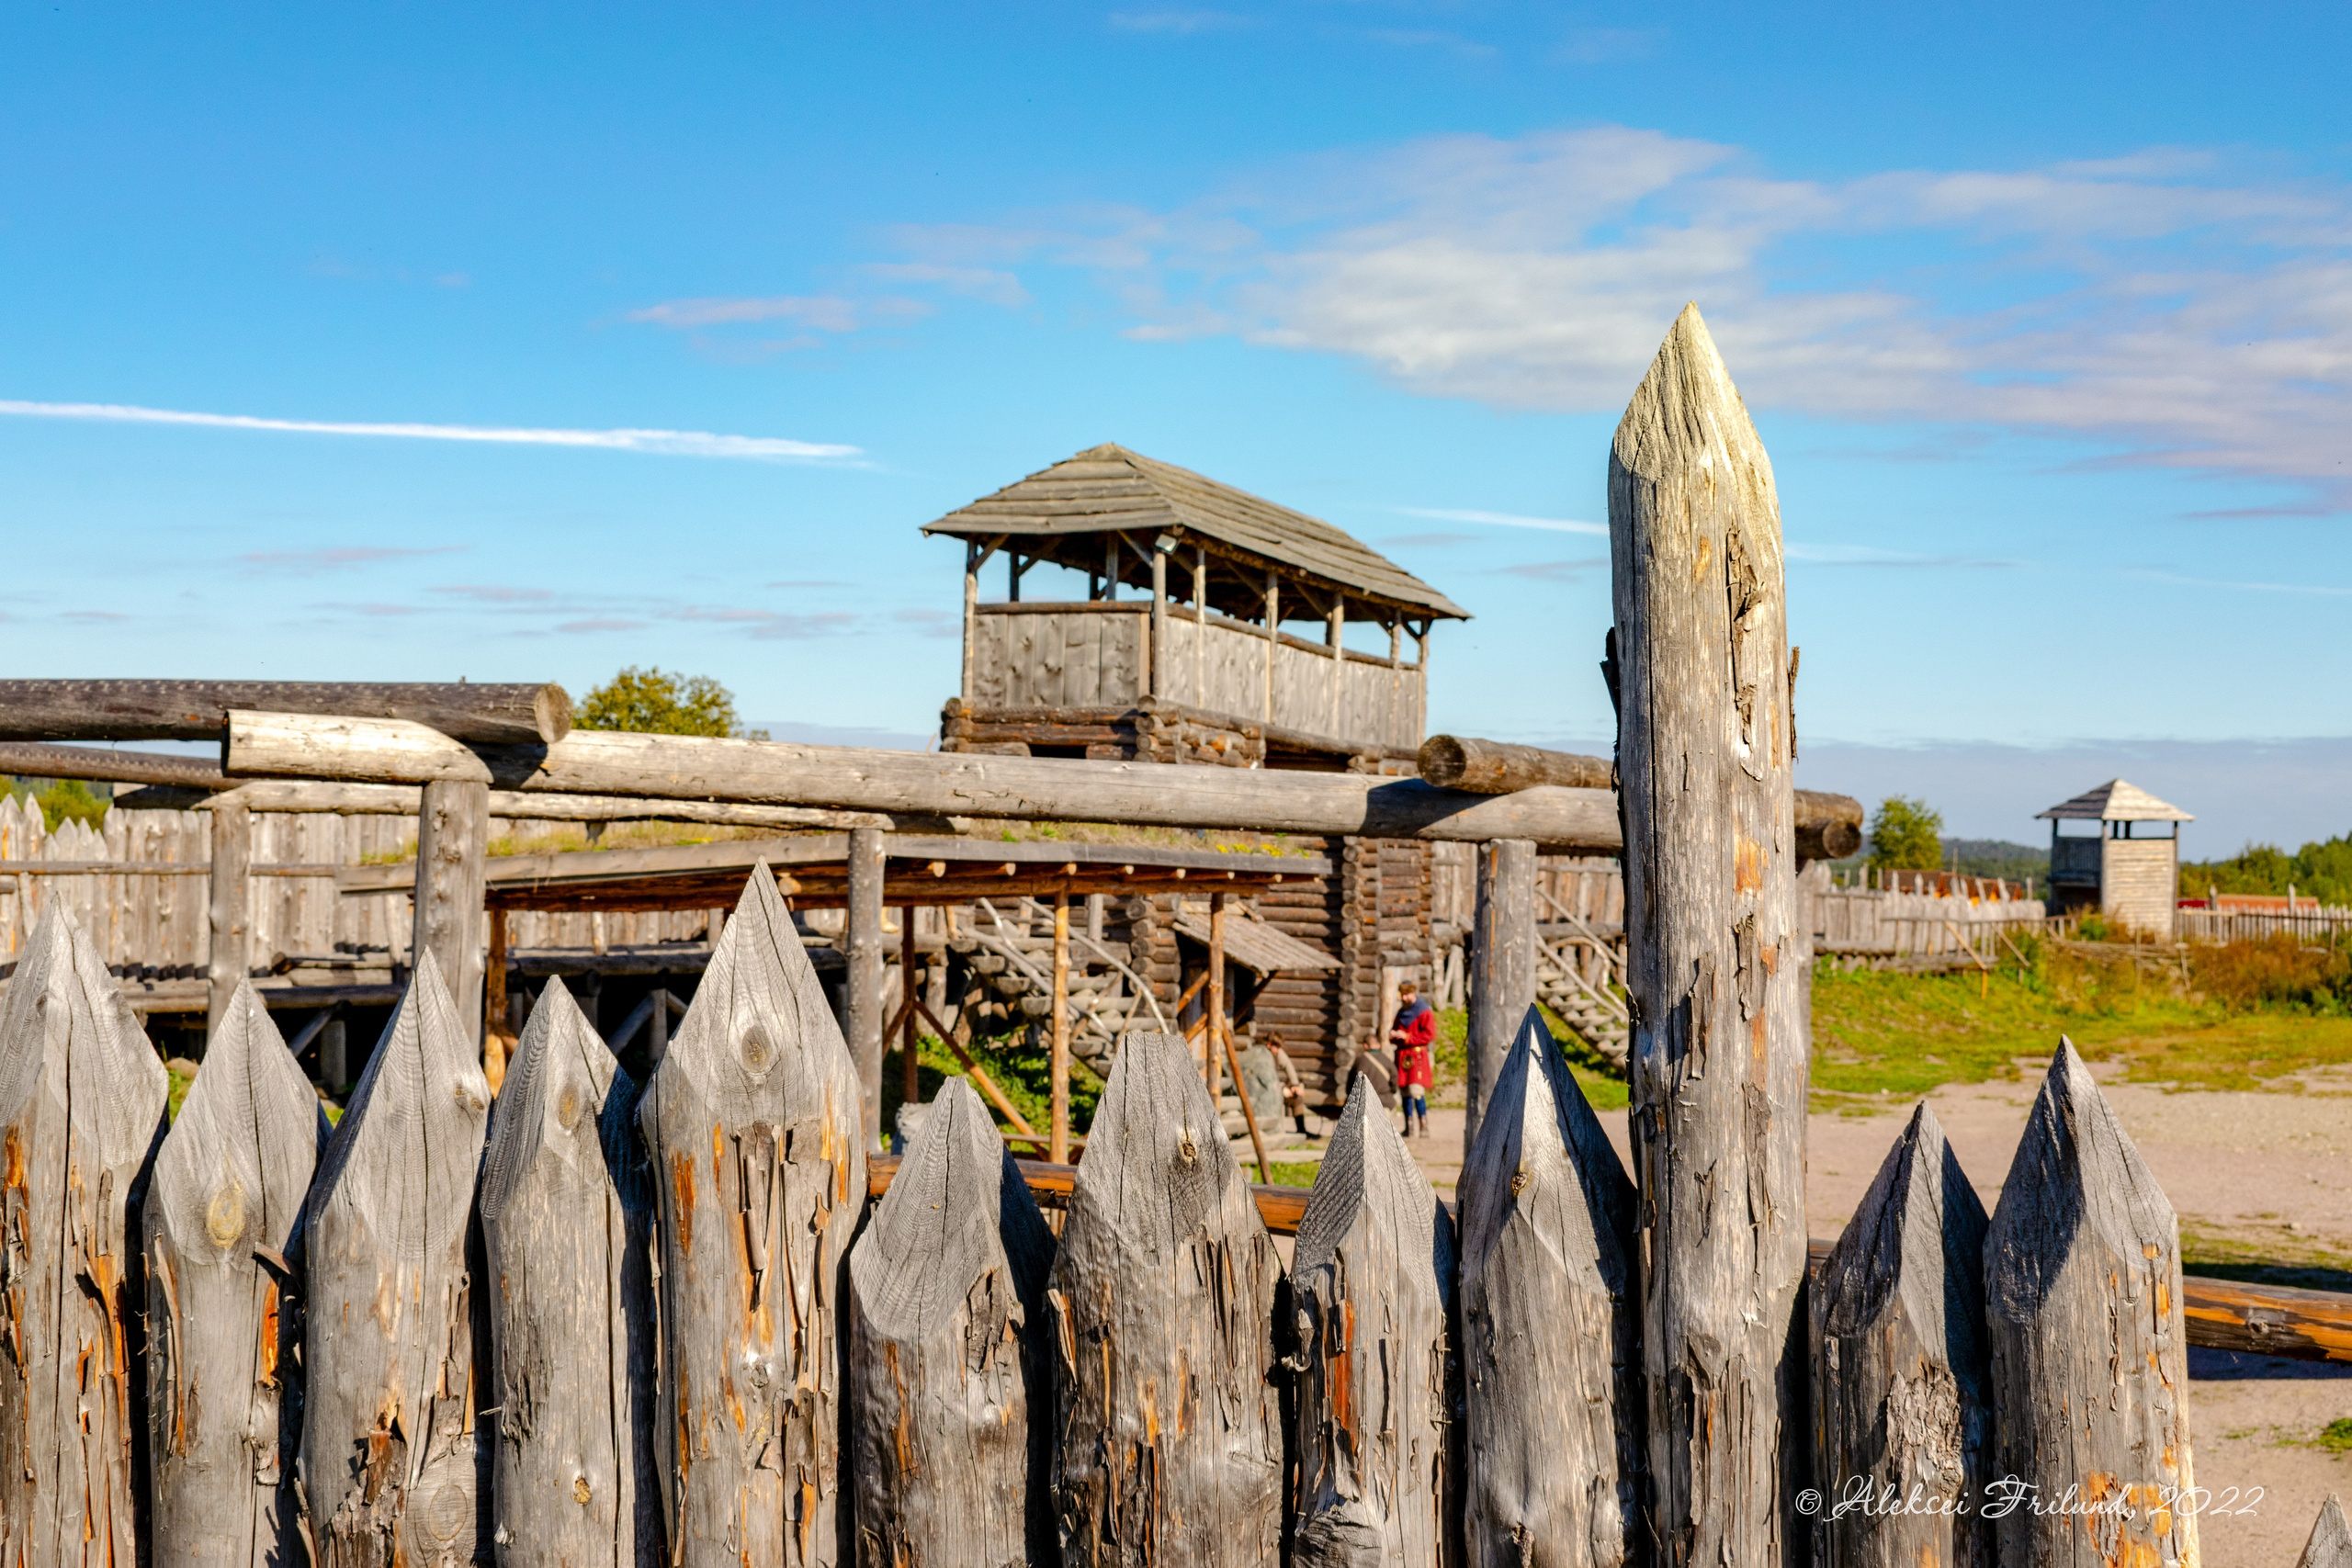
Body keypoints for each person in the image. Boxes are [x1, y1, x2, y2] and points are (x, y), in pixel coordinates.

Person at [1389, 980, 1434, 1139]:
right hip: (1403, 1056)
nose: (1404, 998)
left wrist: (1407, 1036)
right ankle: (1409, 1128)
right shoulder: (1402, 1013)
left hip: (1417, 1056)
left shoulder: (1424, 1012)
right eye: (1403, 995)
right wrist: (1394, 1035)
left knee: (1416, 1091)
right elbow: (1394, 1032)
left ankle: (1423, 1127)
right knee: (1405, 1092)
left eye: (1407, 994)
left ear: (1413, 993)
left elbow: (1429, 1035)